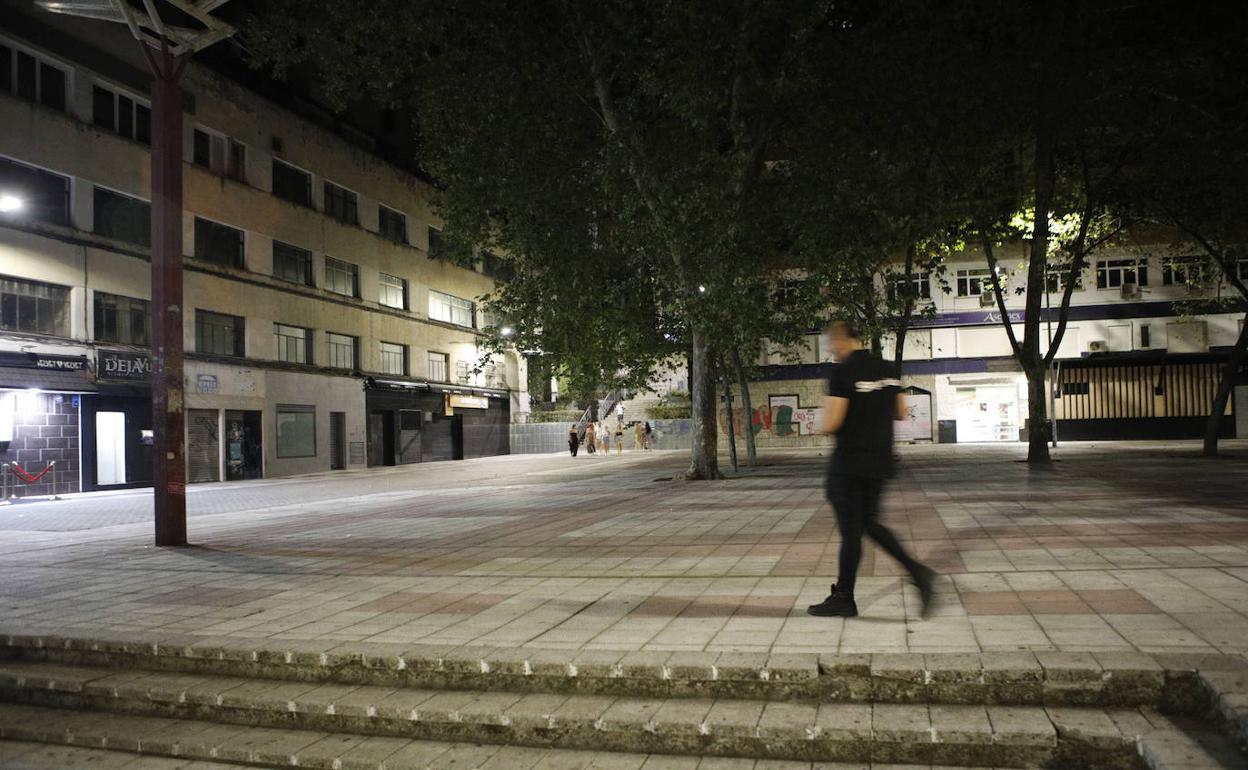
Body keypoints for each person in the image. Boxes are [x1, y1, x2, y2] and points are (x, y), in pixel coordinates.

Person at [807, 320, 935, 619]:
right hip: (880, 461)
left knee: (854, 530)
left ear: (840, 340)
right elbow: (901, 412)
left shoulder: (841, 373)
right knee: (866, 525)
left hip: (849, 464)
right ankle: (849, 593)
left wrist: (819, 427)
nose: (830, 350)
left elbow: (834, 422)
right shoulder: (887, 368)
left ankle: (851, 595)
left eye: (830, 344)